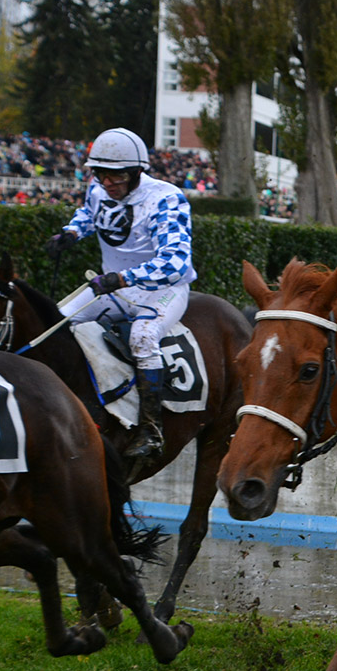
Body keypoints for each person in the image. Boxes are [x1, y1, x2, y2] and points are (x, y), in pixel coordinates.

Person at [45, 127, 194, 461]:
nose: (107, 183)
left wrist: (122, 278)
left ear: (137, 172)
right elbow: (89, 213)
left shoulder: (167, 198)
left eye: (116, 176)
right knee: (57, 321)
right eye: (100, 175)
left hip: (161, 291)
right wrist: (71, 232)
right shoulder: (98, 189)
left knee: (142, 337)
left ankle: (151, 431)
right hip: (113, 285)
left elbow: (175, 263)